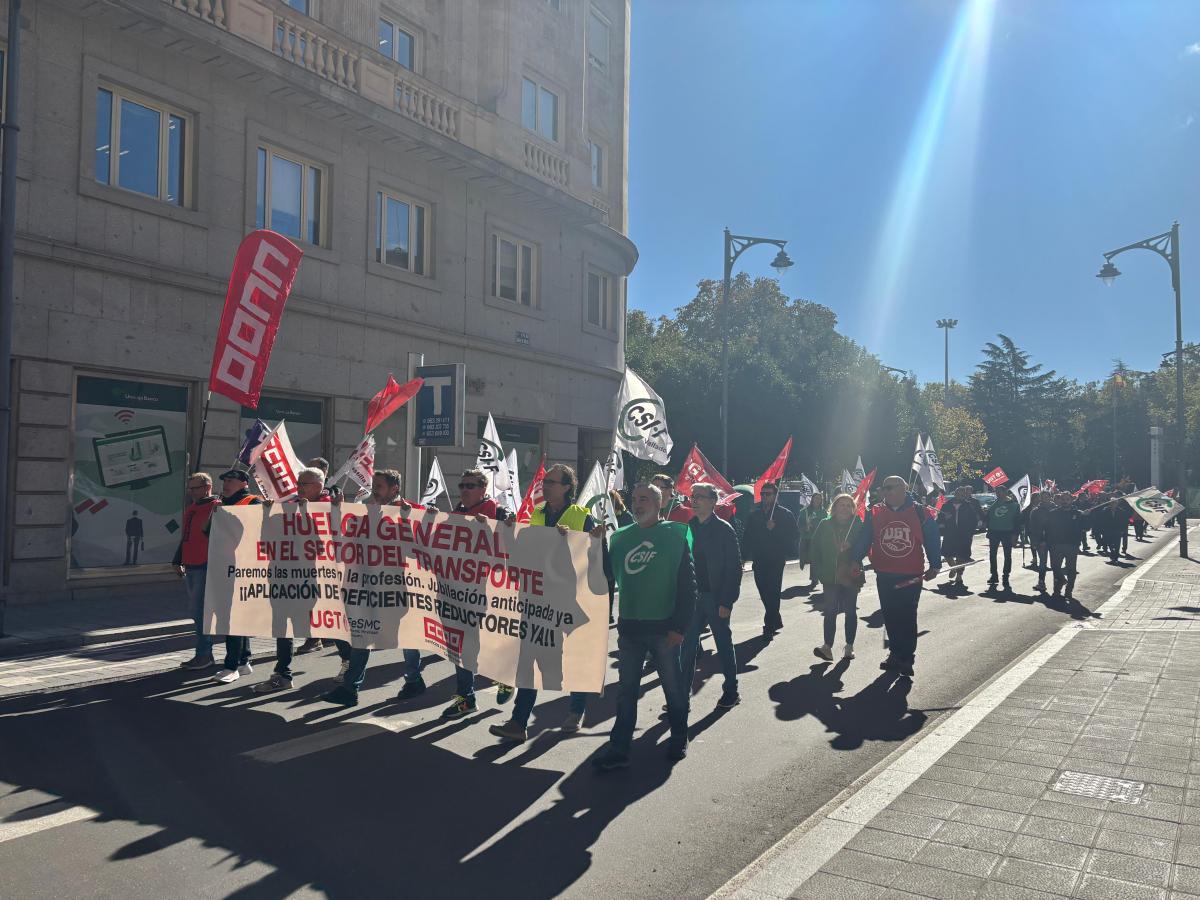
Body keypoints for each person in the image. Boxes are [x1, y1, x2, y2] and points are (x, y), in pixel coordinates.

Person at [490, 464, 601, 741]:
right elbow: (524, 551)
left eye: (551, 482)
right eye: (544, 481)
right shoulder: (536, 514)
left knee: (574, 657)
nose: (545, 486)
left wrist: (583, 542)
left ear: (566, 487)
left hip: (570, 600)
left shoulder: (582, 517)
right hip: (537, 599)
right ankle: (518, 722)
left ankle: (577, 710)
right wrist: (508, 531)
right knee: (529, 659)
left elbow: (596, 558)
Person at [593, 483, 696, 771]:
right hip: (630, 629)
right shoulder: (621, 538)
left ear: (659, 503)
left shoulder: (676, 535)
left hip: (665, 630)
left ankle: (679, 735)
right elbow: (605, 577)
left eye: (645, 499)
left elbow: (689, 587)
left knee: (673, 688)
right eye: (635, 499)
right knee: (626, 691)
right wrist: (597, 545)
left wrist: (680, 628)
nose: (638, 504)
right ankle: (619, 747)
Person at [323, 468, 424, 707]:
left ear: (394, 488)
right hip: (367, 586)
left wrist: (416, 520)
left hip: (397, 587)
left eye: (379, 486)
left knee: (406, 636)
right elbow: (346, 537)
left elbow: (417, 550)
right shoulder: (368, 510)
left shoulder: (410, 511)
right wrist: (338, 509)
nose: (374, 491)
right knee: (362, 633)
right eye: (374, 485)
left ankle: (413, 680)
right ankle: (350, 688)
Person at [851, 476, 941, 678]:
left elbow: (932, 538)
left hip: (911, 573)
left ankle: (907, 658)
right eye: (884, 488)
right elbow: (865, 538)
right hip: (885, 573)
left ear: (903, 489)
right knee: (890, 616)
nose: (886, 491)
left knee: (907, 616)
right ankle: (894, 654)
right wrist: (855, 558)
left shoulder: (920, 512)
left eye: (890, 487)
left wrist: (935, 564)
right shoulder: (875, 512)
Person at [252, 467, 330, 694]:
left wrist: (309, 513)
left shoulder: (329, 507)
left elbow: (327, 543)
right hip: (283, 576)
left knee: (321, 624)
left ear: (318, 486)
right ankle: (282, 674)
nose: (298, 487)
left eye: (304, 483)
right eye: (298, 482)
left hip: (312, 579)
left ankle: (348, 664)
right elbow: (268, 541)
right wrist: (267, 516)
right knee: (281, 625)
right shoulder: (288, 506)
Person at [441, 469, 510, 719]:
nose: (464, 490)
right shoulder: (456, 514)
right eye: (461, 485)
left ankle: (506, 675)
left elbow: (514, 546)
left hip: (488, 591)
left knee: (488, 641)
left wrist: (494, 529)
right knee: (460, 646)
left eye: (470, 485)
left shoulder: (500, 514)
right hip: (457, 592)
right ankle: (466, 698)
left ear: (483, 489)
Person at [679, 482, 742, 709]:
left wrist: (727, 601)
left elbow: (734, 568)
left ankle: (731, 691)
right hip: (693, 598)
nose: (694, 500)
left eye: (700, 497)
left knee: (723, 645)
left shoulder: (724, 529)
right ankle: (681, 696)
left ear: (713, 502)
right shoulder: (688, 527)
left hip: (716, 598)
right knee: (686, 649)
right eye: (693, 497)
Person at [211, 470, 263, 684]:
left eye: (231, 481)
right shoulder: (221, 503)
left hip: (243, 568)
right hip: (224, 566)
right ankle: (243, 661)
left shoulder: (253, 502)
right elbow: (208, 533)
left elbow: (257, 531)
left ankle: (231, 666)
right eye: (224, 481)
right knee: (232, 617)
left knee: (233, 618)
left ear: (243, 483)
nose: (226, 484)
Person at [809, 493, 864, 661]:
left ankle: (849, 646)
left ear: (853, 509)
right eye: (842, 504)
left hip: (850, 574)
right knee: (830, 610)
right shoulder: (824, 524)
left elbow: (864, 545)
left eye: (849, 505)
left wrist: (852, 545)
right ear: (834, 507)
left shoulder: (857, 524)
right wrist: (817, 571)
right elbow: (815, 547)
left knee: (850, 611)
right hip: (830, 576)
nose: (845, 508)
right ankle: (827, 647)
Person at [741, 481, 799, 635]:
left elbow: (794, 535)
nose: (765, 497)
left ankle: (769, 625)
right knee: (763, 591)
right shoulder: (754, 515)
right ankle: (775, 618)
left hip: (776, 559)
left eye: (768, 494)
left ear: (775, 496)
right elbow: (747, 536)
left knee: (773, 591)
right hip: (759, 559)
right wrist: (743, 557)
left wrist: (776, 529)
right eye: (763, 494)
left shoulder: (785, 514)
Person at [174, 472, 220, 669]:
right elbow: (186, 536)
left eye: (196, 488)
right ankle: (204, 653)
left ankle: (204, 654)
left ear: (207, 486)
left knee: (198, 610)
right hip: (191, 563)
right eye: (190, 488)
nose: (192, 492)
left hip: (206, 563)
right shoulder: (192, 507)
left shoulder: (216, 506)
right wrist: (177, 559)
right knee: (196, 611)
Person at [1036, 491, 1086, 600]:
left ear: (1071, 500)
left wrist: (1086, 516)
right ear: (1059, 500)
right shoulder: (1053, 513)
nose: (1065, 502)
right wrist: (1043, 540)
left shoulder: (1078, 513)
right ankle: (1057, 589)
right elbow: (1046, 528)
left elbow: (1086, 528)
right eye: (1063, 499)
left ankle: (1069, 591)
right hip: (1056, 545)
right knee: (1055, 568)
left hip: (1072, 545)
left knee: (1071, 569)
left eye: (1067, 499)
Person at [937, 486, 979, 592]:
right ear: (955, 494)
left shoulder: (968, 506)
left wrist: (969, 531)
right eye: (959, 493)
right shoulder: (946, 505)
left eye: (963, 494)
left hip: (963, 535)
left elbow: (974, 520)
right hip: (950, 534)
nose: (961, 496)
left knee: (962, 556)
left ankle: (959, 576)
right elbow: (939, 519)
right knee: (947, 554)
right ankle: (954, 567)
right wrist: (943, 520)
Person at [985, 485, 1021, 592]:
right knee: (992, 554)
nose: (998, 494)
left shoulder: (1014, 505)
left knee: (1007, 555)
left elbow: (1017, 522)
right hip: (994, 532)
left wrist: (1015, 535)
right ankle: (994, 575)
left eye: (1000, 492)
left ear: (1005, 492)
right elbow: (989, 517)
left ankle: (1006, 576)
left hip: (1007, 532)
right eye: (997, 492)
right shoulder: (994, 504)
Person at [799, 492, 828, 591]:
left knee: (819, 559)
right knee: (813, 559)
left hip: (821, 539)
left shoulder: (824, 512)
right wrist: (805, 527)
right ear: (812, 499)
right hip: (809, 539)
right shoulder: (805, 511)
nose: (817, 500)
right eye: (815, 498)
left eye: (819, 499)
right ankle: (814, 578)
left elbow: (827, 524)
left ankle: (818, 578)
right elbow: (799, 524)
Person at [1026, 491, 1055, 592]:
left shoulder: (1056, 509)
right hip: (1041, 541)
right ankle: (1041, 582)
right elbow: (1033, 527)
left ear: (1050, 497)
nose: (1045, 498)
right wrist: (1035, 541)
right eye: (1043, 497)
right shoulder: (1035, 511)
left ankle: (1059, 579)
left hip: (1055, 541)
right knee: (1042, 562)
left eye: (1047, 496)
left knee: (1055, 563)